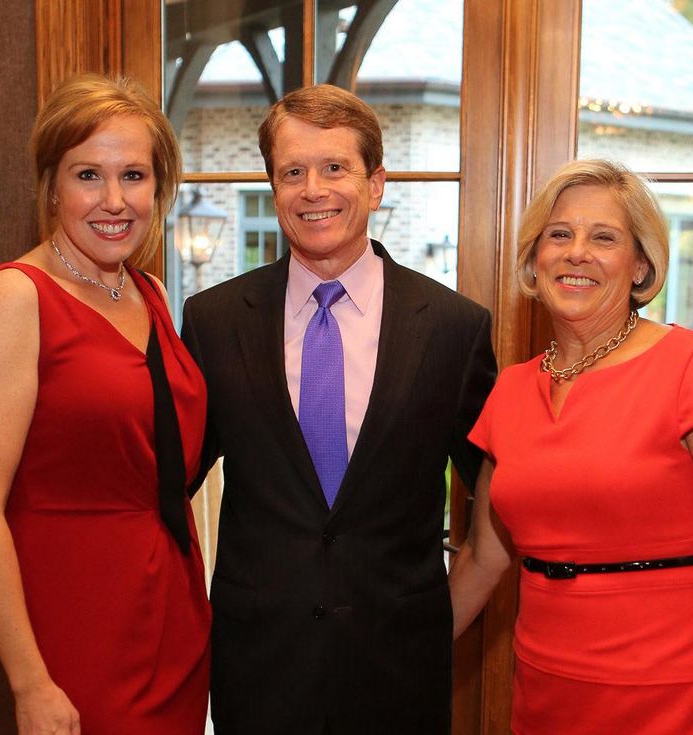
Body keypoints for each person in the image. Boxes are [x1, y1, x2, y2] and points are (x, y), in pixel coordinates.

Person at [180, 84, 496, 735]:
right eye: (292, 171)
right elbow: (162, 485)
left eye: (334, 168)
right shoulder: (213, 321)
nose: (312, 189)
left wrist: (429, 627)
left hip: (399, 678)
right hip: (258, 673)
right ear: (273, 188)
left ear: (375, 184)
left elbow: (500, 510)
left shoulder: (452, 328)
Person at [449, 158, 693, 735]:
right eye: (559, 235)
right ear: (535, 260)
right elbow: (485, 558)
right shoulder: (510, 390)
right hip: (546, 688)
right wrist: (395, 656)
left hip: (672, 690)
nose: (577, 252)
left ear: (640, 265)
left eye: (604, 237)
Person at [0, 74, 211, 735]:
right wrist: (30, 681)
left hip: (173, 620)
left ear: (160, 188)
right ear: (51, 185)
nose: (115, 200)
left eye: (135, 175)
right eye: (89, 174)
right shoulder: (18, 298)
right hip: (76, 630)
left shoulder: (147, 290)